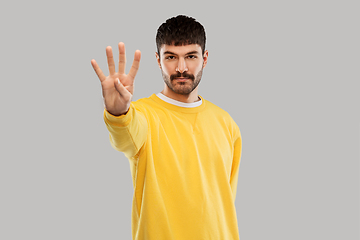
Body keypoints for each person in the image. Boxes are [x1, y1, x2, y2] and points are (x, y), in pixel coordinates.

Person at [91, 15, 242, 240]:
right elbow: (125, 136)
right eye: (171, 57)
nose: (181, 68)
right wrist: (118, 112)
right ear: (158, 60)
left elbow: (225, 201)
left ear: (205, 58)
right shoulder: (142, 115)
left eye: (191, 56)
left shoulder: (226, 122)